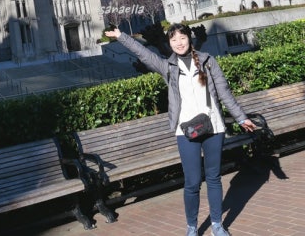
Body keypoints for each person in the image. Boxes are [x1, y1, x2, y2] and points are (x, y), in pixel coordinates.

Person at [104, 24, 257, 236]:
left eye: (182, 37)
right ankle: (192, 228)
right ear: (169, 43)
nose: (179, 43)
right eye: (173, 39)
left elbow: (224, 93)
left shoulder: (208, 61)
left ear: (189, 38)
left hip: (214, 126)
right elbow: (144, 54)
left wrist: (241, 118)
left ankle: (216, 225)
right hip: (186, 131)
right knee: (192, 182)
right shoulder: (168, 66)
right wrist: (121, 35)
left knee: (213, 178)